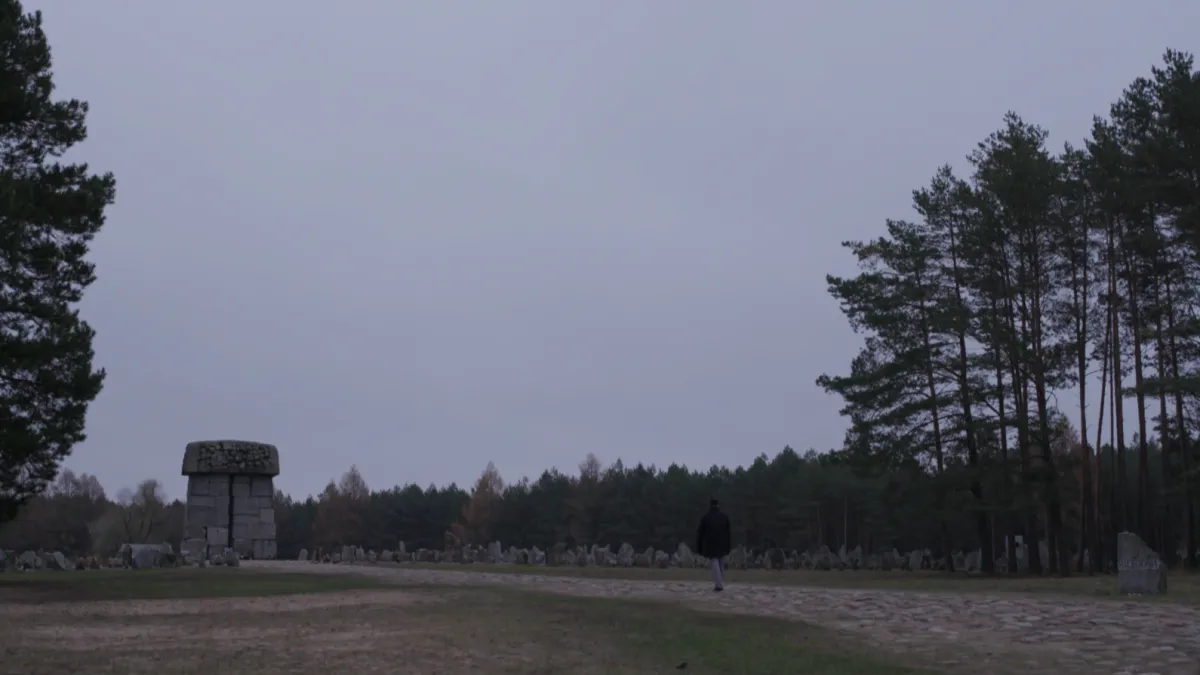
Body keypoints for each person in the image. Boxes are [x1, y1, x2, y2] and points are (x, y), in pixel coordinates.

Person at [695, 498, 732, 592]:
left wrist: (699, 548)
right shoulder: (724, 517)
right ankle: (720, 582)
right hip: (723, 542)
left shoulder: (706, 517)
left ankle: (719, 584)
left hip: (711, 543)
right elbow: (728, 533)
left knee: (714, 561)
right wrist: (728, 546)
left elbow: (700, 534)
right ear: (718, 505)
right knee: (721, 562)